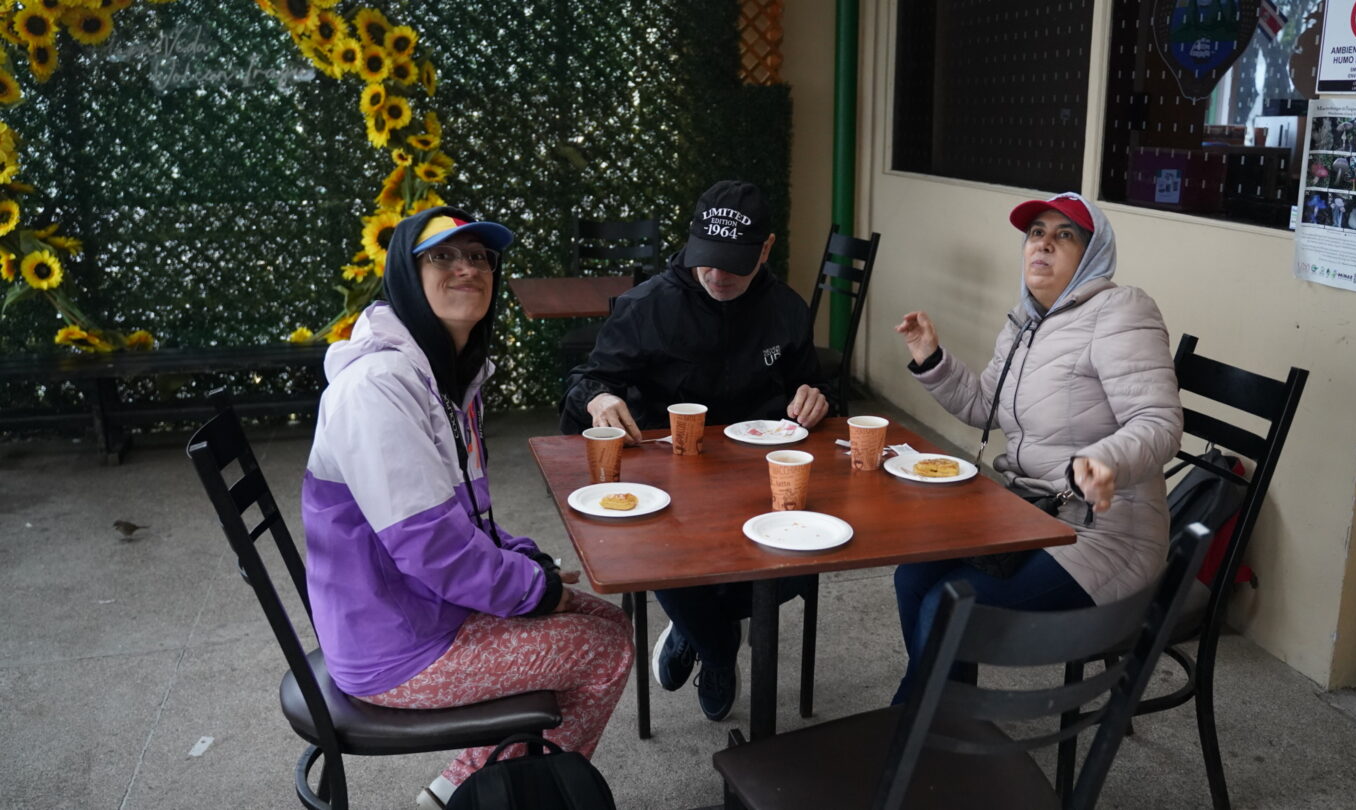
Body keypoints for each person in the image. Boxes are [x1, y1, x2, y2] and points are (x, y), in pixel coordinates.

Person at [301, 207, 633, 809]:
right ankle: (504, 795)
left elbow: (460, 520)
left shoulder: (442, 374)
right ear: (406, 273)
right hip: (397, 647)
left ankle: (467, 790)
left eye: (479, 257)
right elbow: (435, 548)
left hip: (421, 611)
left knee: (611, 621)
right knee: (604, 649)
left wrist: (525, 560)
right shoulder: (378, 387)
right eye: (443, 257)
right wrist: (536, 592)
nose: (466, 269)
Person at [559, 180, 834, 722]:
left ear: (766, 247)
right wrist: (601, 397)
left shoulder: (786, 309)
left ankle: (694, 626)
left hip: (759, 473)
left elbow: (815, 388)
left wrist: (815, 397)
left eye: (733, 263)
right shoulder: (646, 306)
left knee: (806, 566)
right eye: (707, 260)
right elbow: (584, 380)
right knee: (652, 556)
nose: (716, 275)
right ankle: (716, 647)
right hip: (668, 479)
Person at [890, 192, 1181, 704]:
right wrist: (931, 358)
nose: (1043, 244)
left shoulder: (1121, 310)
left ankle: (915, 738)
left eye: (1063, 235)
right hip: (1034, 516)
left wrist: (1104, 460)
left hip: (1103, 535)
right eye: (1035, 233)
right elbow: (987, 407)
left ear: (1091, 254)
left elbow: (1159, 421)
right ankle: (939, 723)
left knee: (947, 604)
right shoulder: (1025, 322)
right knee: (914, 576)